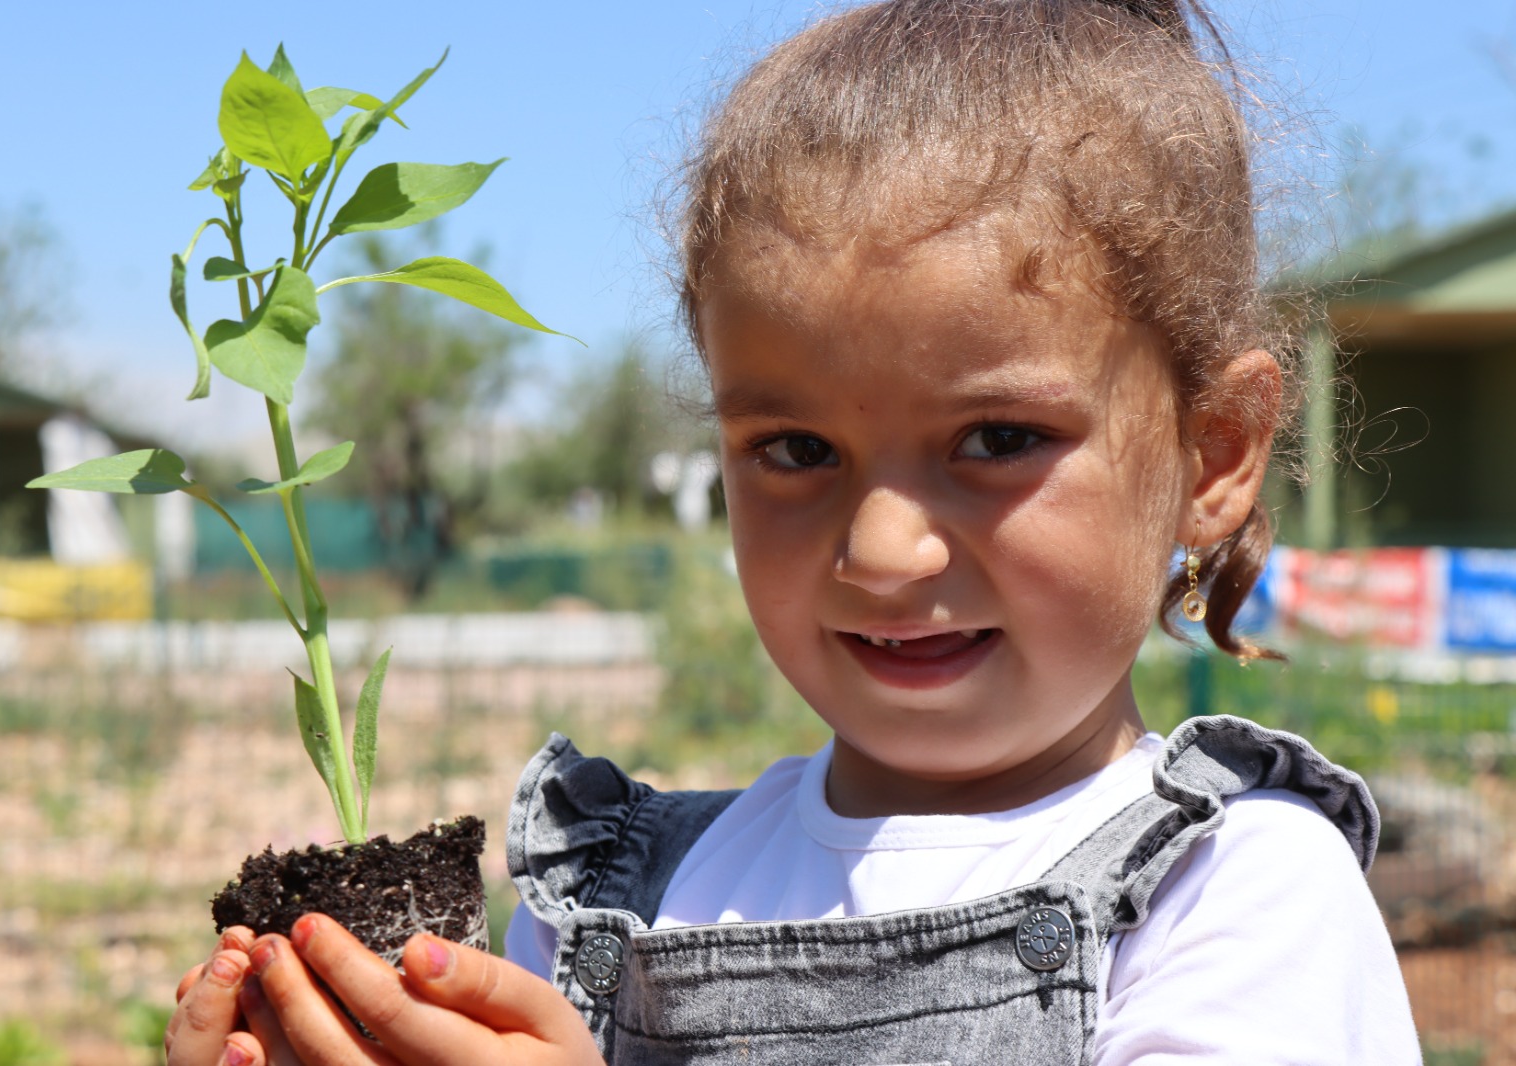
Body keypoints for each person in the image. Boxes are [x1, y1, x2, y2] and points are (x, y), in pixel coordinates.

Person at [167, 1, 1421, 1062]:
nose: (882, 550)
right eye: (796, 451)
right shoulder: (614, 899)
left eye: (994, 440)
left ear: (1214, 453)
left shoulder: (1240, 896)